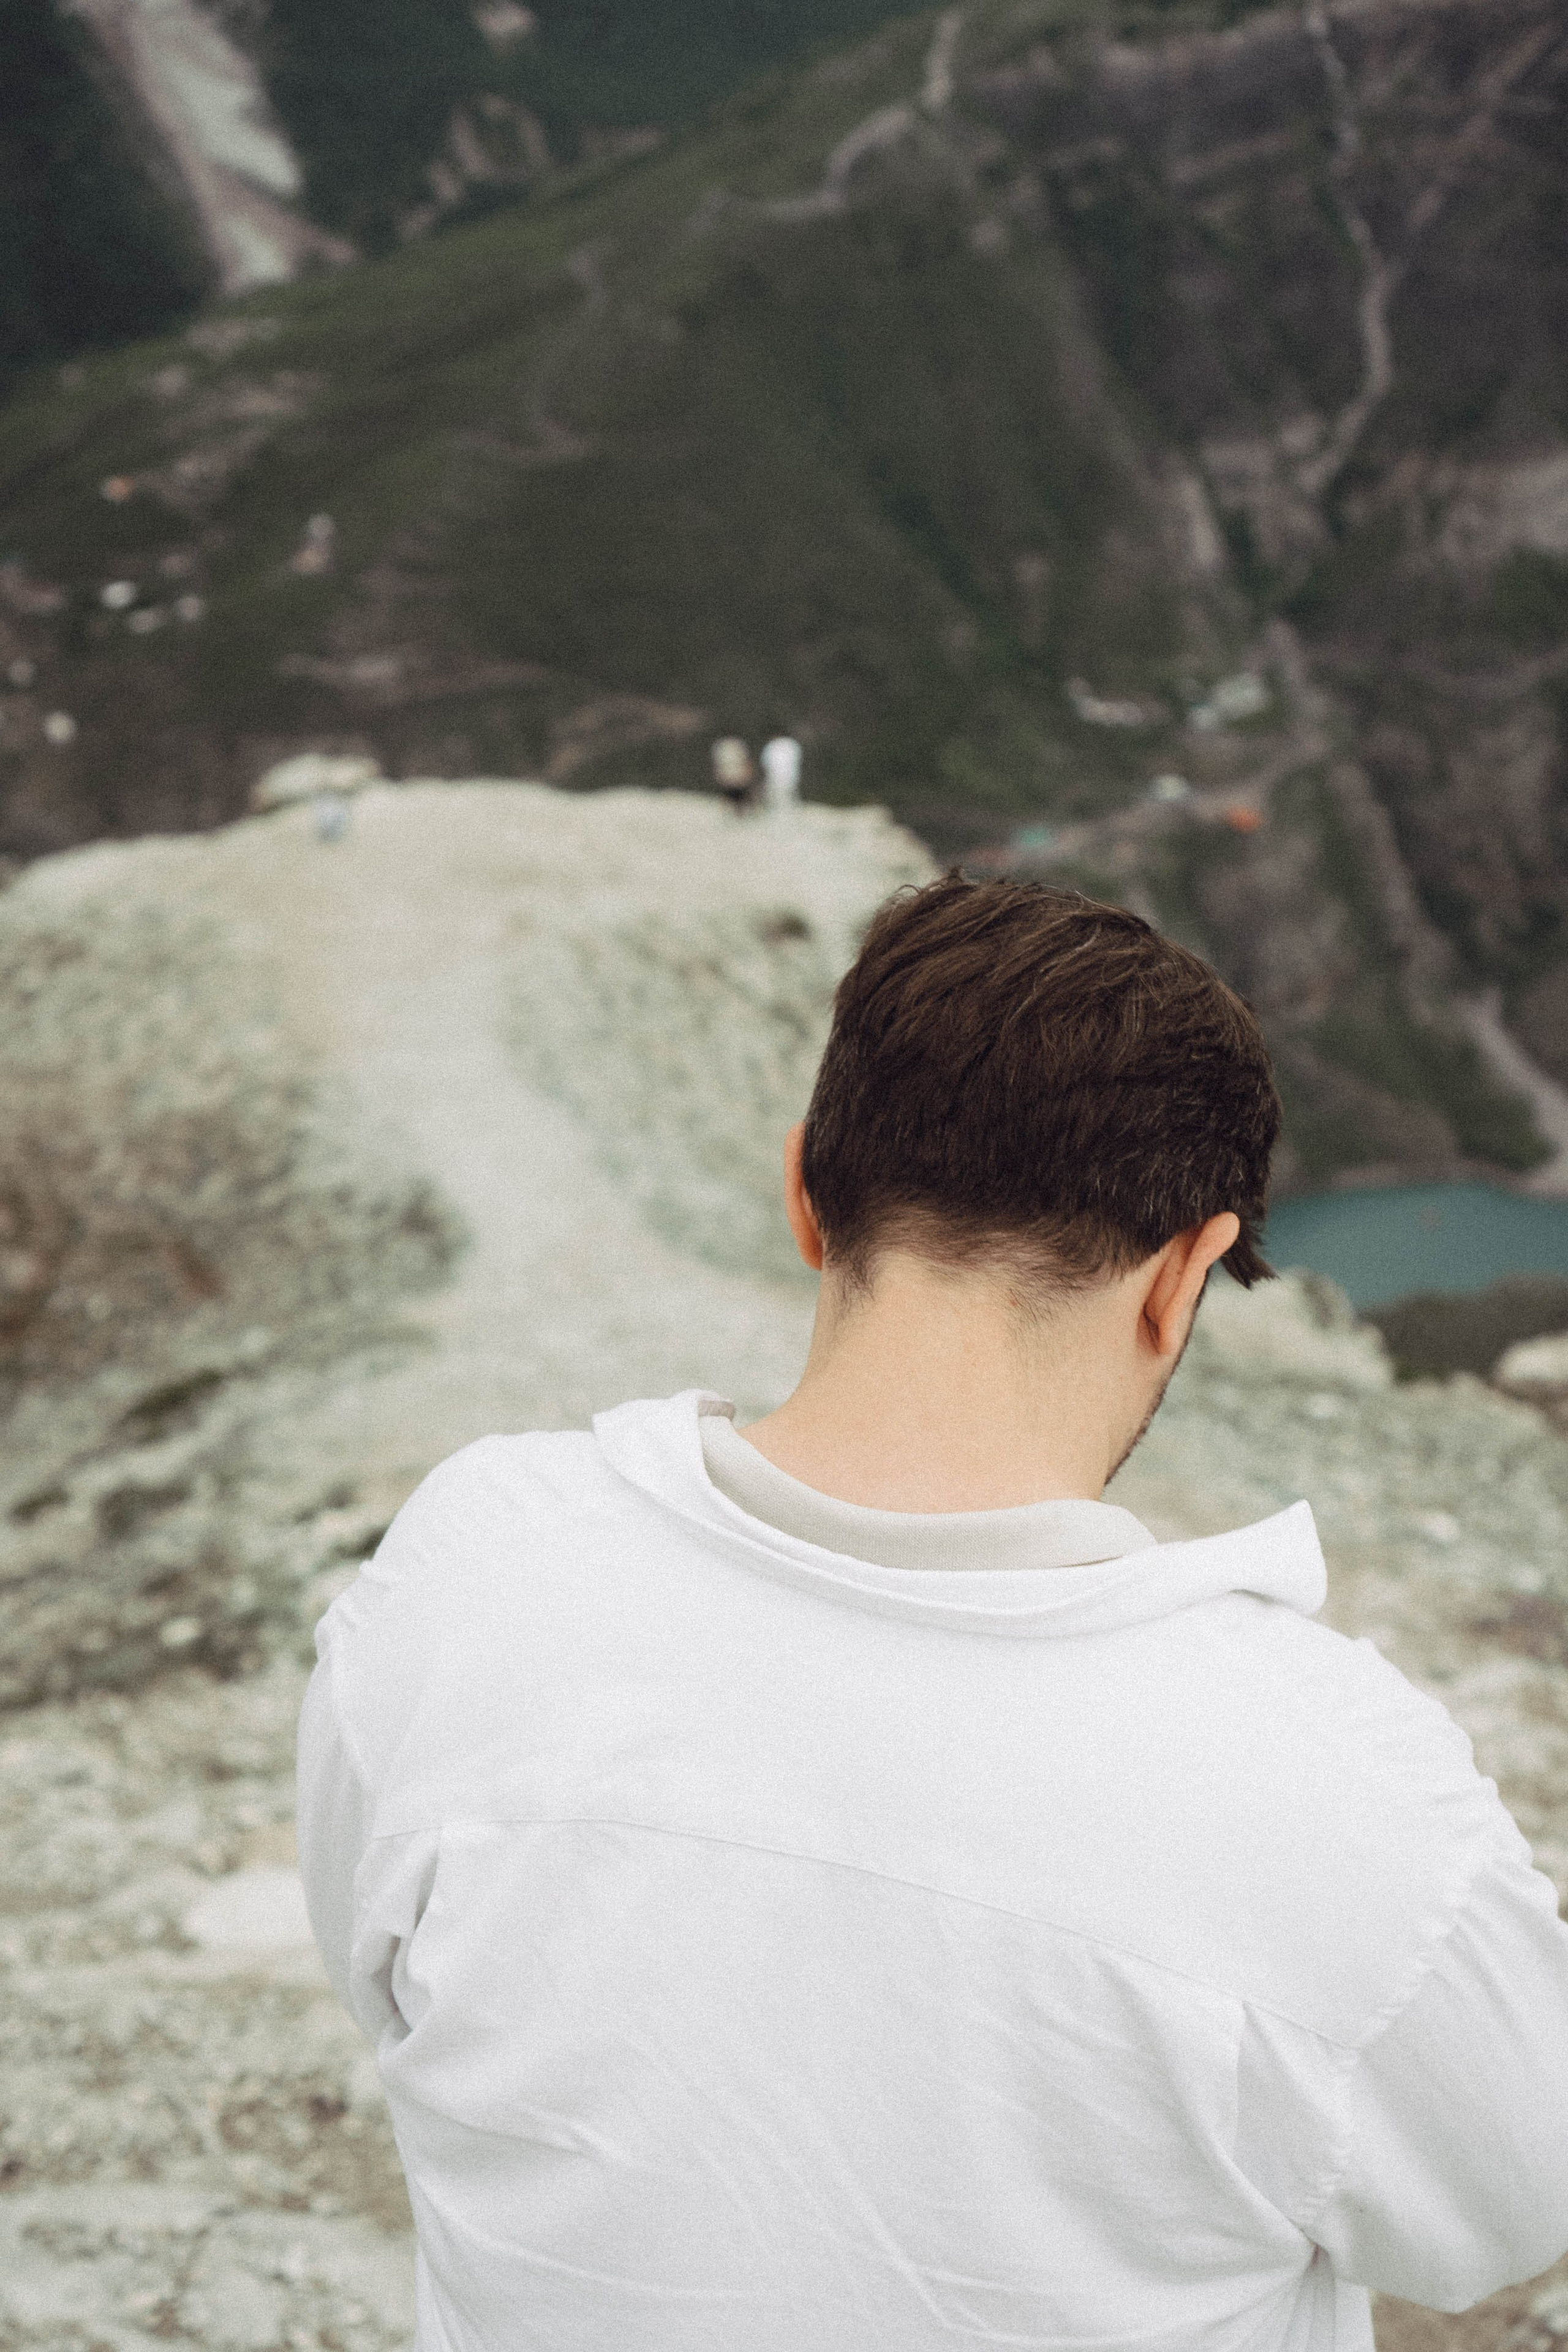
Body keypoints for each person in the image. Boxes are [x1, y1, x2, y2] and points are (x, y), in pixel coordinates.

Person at [298, 876, 1568, 2352]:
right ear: (1178, 1278)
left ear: (803, 1195)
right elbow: (1514, 2207)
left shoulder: (468, 1568)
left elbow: (377, 1974)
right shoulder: (1340, 1794)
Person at [710, 733, 755, 814]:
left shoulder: (723, 746)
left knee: (738, 796)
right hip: (734, 777)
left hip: (733, 777)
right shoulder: (733, 745)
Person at [760, 731, 802, 813]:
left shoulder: (771, 745)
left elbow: (766, 764)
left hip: (775, 778)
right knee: (790, 800)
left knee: (776, 803)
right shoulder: (793, 744)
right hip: (792, 777)